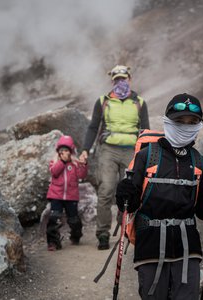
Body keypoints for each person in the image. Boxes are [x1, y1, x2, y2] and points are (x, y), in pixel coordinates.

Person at [116, 93, 203, 299]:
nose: (185, 126)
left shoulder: (201, 162)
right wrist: (123, 193)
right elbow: (129, 205)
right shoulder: (146, 156)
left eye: (192, 122)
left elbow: (202, 206)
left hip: (188, 247)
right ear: (168, 121)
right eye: (179, 121)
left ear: (199, 124)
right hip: (150, 246)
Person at [79, 65, 150, 250]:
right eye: (117, 79)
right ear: (112, 81)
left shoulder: (140, 102)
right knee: (106, 190)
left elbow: (145, 130)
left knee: (130, 191)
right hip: (108, 150)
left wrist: (147, 153)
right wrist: (85, 149)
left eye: (123, 79)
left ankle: (126, 228)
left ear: (129, 79)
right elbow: (93, 127)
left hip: (132, 151)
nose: (121, 82)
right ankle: (103, 234)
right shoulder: (103, 101)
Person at [46, 135, 88, 251]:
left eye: (66, 151)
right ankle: (53, 242)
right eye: (61, 151)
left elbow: (82, 175)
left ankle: (75, 236)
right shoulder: (54, 162)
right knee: (54, 218)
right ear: (58, 153)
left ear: (71, 152)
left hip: (71, 196)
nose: (64, 153)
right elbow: (54, 172)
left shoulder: (74, 164)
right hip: (56, 195)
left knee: (74, 219)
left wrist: (83, 164)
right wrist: (62, 162)